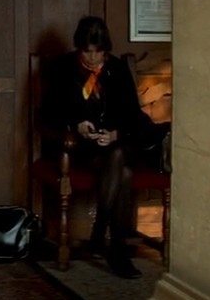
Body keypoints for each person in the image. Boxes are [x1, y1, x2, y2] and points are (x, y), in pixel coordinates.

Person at [41, 16, 146, 279]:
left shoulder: (118, 69)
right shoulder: (63, 67)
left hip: (114, 142)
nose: (93, 58)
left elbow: (133, 116)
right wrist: (75, 124)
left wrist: (115, 134)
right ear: (79, 47)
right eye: (87, 51)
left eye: (99, 52)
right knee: (124, 174)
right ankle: (113, 245)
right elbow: (47, 113)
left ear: (106, 50)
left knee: (119, 156)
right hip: (80, 147)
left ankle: (104, 234)